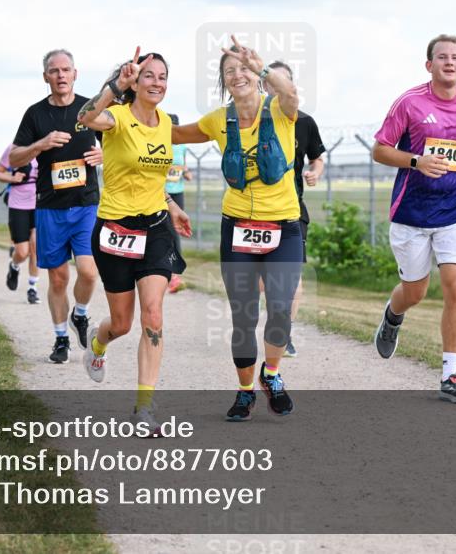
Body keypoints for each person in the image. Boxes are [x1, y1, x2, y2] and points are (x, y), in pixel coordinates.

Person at [171, 36, 301, 422]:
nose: (237, 75)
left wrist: (261, 66)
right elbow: (174, 134)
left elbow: (291, 91)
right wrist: (127, 113)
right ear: (224, 81)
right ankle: (245, 391)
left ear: (257, 75)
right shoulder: (218, 119)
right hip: (238, 227)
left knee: (279, 310)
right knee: (244, 315)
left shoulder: (280, 109)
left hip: (284, 225)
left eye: (244, 69)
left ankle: (271, 376)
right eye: (230, 71)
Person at [371, 34, 456, 404]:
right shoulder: (409, 103)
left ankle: (451, 375)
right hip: (412, 211)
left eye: (455, 57)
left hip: (455, 208)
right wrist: (416, 161)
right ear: (428, 64)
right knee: (415, 291)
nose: (449, 62)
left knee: (455, 286)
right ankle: (393, 315)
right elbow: (380, 150)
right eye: (441, 57)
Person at [78, 48, 191, 434]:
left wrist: (173, 207)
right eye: (148, 76)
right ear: (135, 81)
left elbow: (154, 180)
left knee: (153, 314)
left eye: (162, 76)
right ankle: (98, 343)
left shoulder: (166, 124)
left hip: (156, 228)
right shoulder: (117, 118)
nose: (156, 82)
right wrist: (114, 87)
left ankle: (144, 407)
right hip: (114, 230)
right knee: (123, 323)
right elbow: (85, 117)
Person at [9, 49, 104, 364]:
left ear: (75, 74)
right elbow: (14, 158)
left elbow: (119, 146)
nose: (61, 75)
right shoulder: (35, 114)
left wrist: (103, 156)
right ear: (46, 77)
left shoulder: (90, 110)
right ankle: (61, 338)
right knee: (59, 278)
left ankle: (81, 313)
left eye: (66, 69)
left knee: (89, 273)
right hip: (50, 207)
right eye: (54, 70)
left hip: (86, 205)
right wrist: (40, 145)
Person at [263, 61, 326, 358]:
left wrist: (315, 172)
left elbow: (318, 157)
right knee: (264, 282)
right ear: (263, 85)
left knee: (292, 278)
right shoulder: (251, 119)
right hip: (256, 211)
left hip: (292, 209)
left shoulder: (305, 122)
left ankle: (282, 333)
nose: (277, 87)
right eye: (271, 81)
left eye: (283, 82)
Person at [0, 143, 41, 305]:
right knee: (22, 252)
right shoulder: (14, 148)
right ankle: (14, 266)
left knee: (36, 246)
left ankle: (32, 288)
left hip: (39, 204)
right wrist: (12, 178)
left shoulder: (44, 146)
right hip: (18, 205)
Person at [165, 113, 193, 294]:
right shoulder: (161, 145)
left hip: (178, 192)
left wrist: (186, 173)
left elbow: (183, 166)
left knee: (175, 230)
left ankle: (175, 272)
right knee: (167, 230)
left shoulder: (182, 147)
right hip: (162, 194)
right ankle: (170, 272)